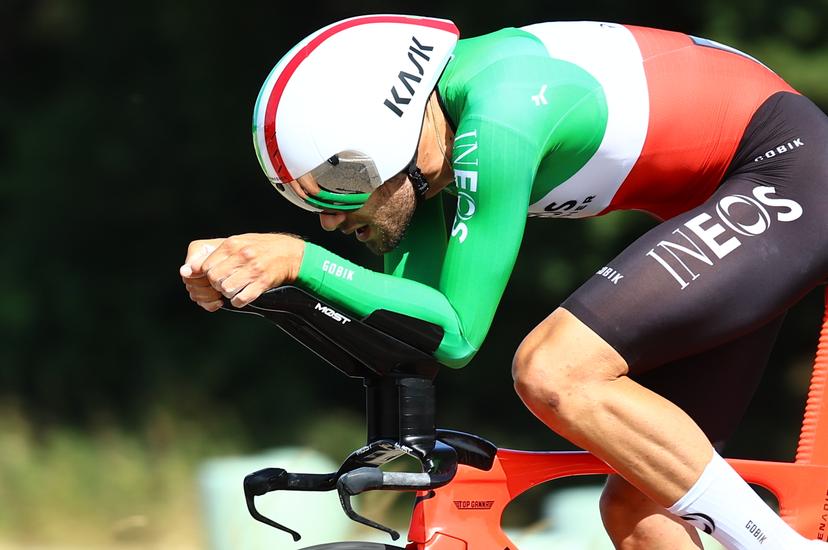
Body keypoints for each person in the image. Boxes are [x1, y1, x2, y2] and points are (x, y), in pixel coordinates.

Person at [179, 14, 828, 550]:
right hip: (728, 195)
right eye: (305, 201)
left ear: (389, 134)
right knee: (639, 510)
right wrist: (260, 289)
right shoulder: (420, 160)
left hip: (790, 170)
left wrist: (301, 260)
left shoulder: (498, 115)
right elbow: (415, 333)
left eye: (337, 184)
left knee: (554, 370)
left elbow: (458, 333)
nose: (327, 218)